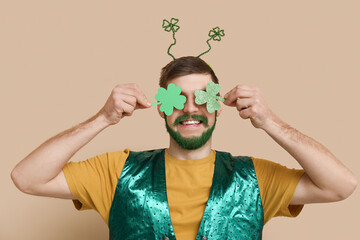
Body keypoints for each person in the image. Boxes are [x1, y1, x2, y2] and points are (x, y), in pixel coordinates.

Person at [11, 56, 357, 240]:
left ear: (219, 105)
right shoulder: (116, 171)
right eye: (177, 99)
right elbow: (27, 178)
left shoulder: (256, 177)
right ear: (161, 107)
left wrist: (270, 122)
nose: (191, 109)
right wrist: (103, 118)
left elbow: (341, 185)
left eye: (203, 98)